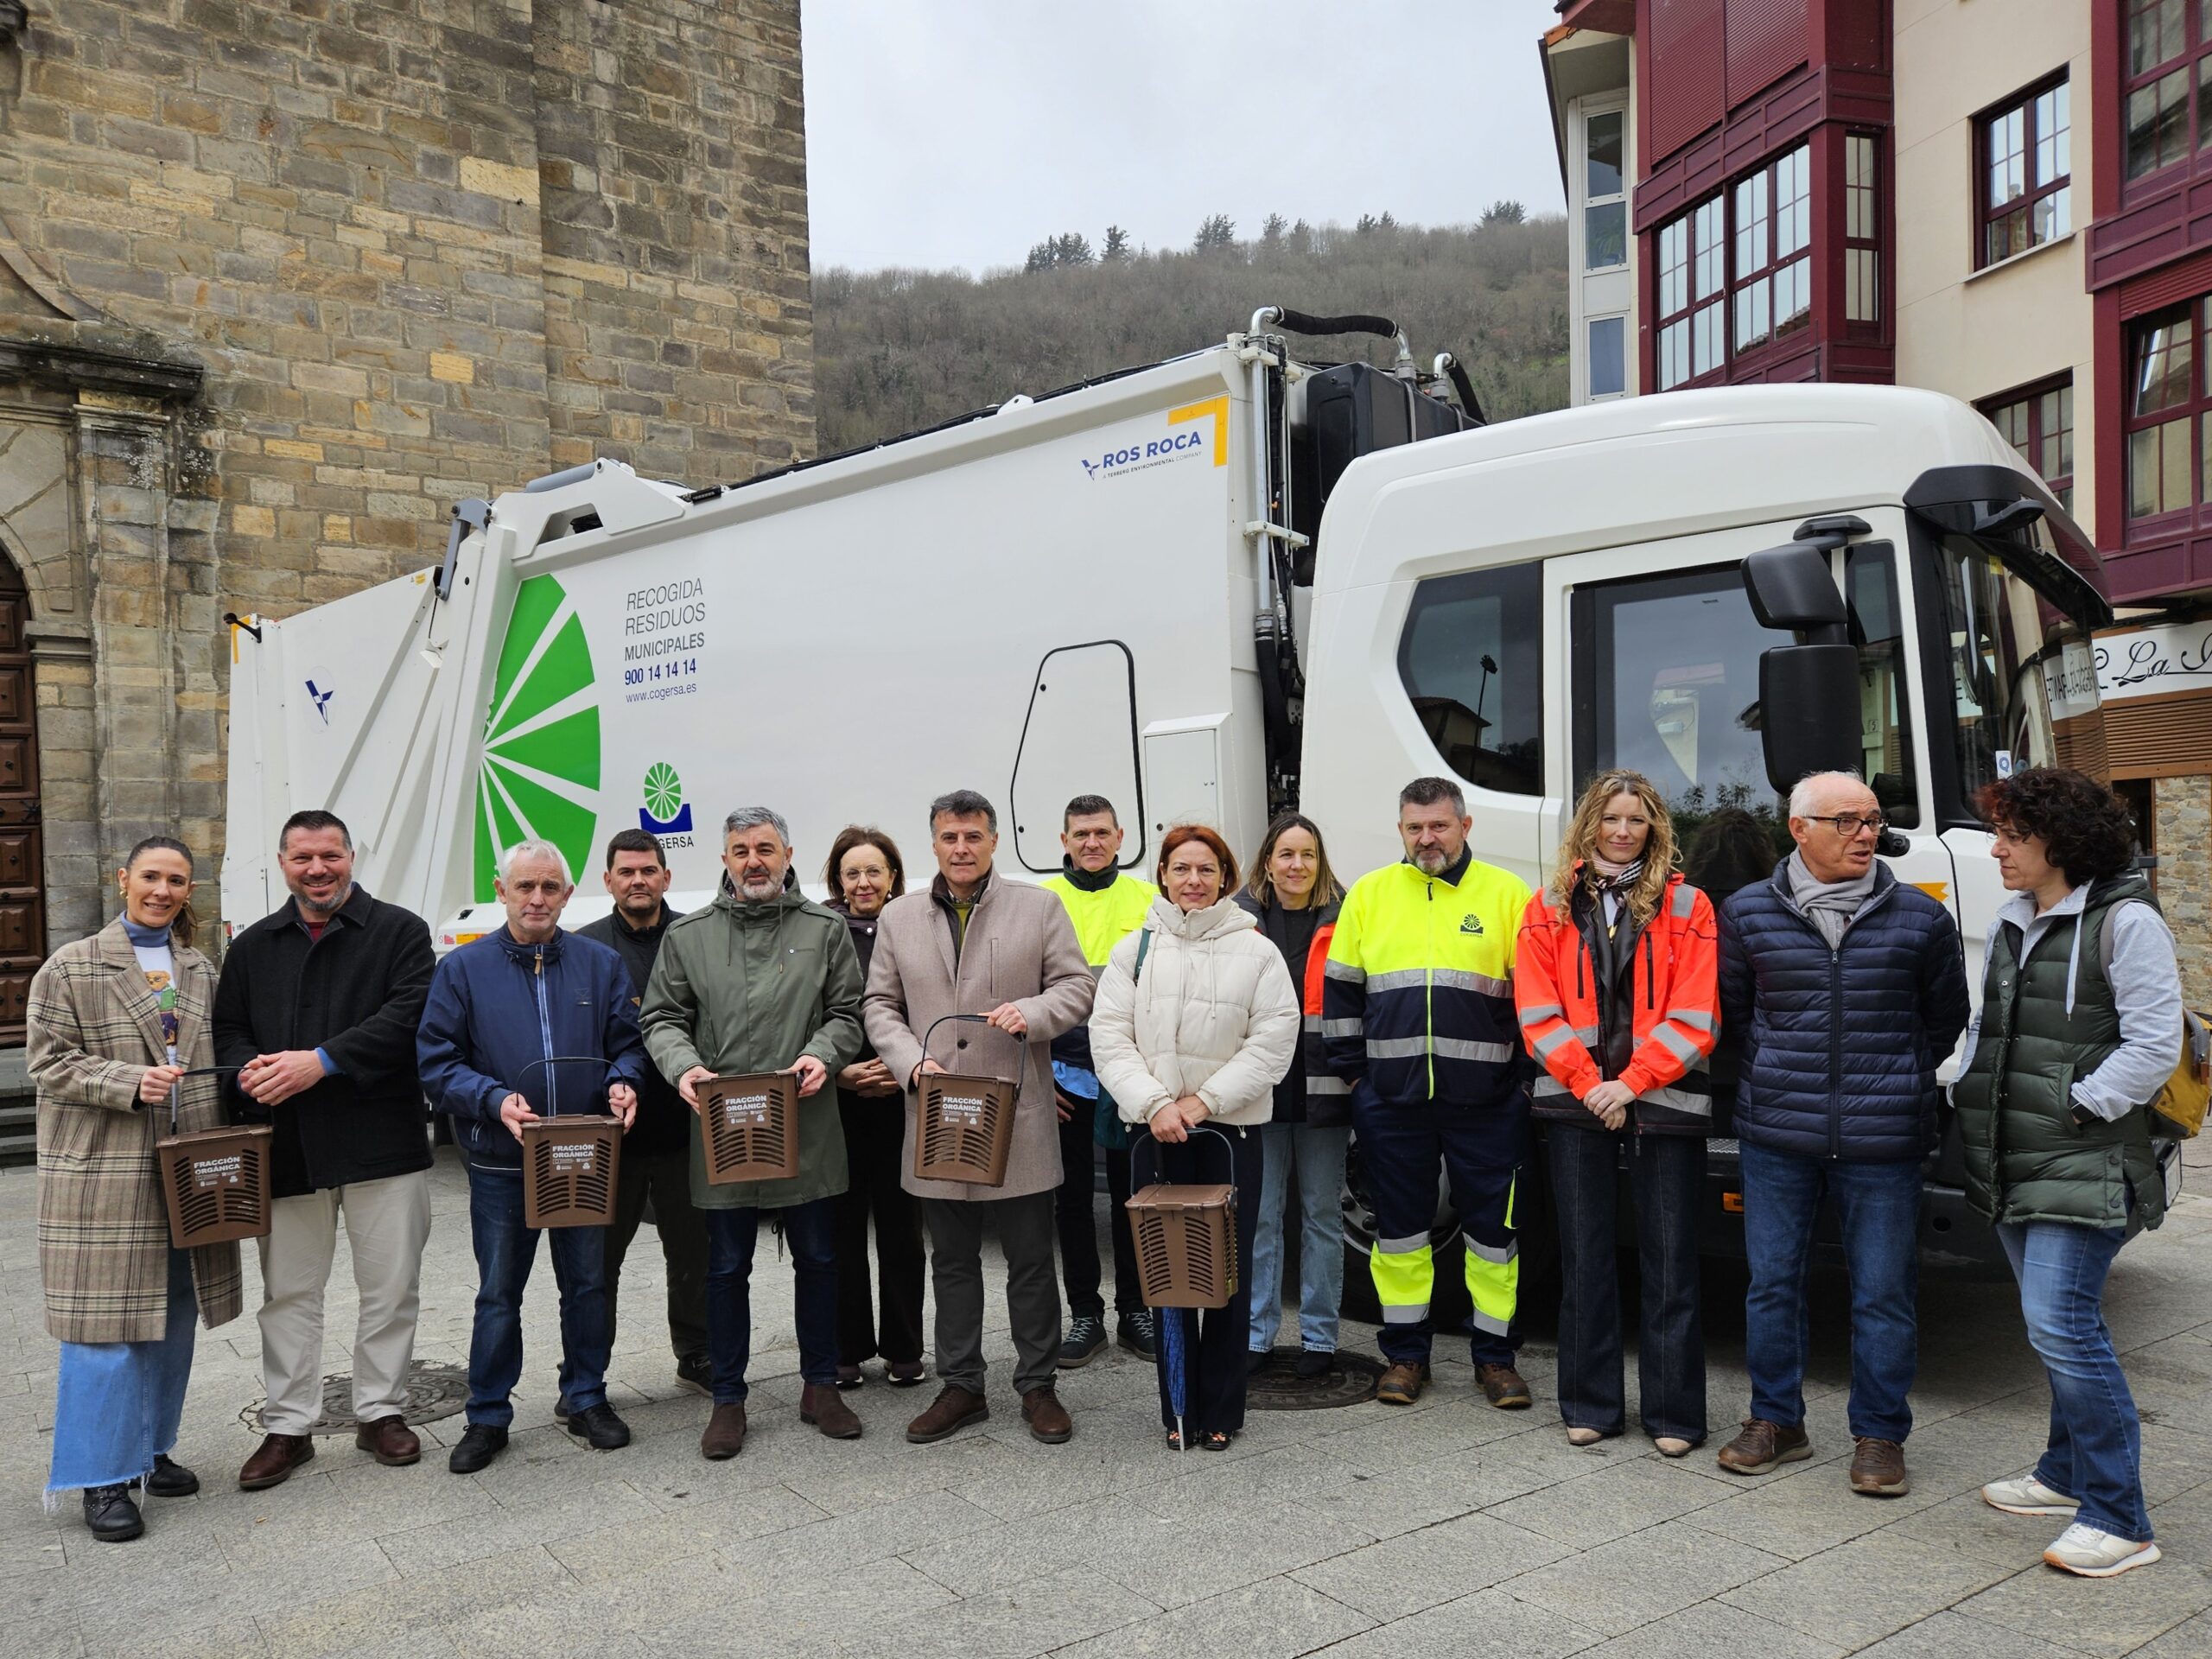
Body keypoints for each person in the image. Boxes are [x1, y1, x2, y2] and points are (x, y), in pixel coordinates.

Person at [1955, 768, 2183, 1578]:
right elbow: (1989, 1023)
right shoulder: (2019, 917)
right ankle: (2063, 1474)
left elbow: (2158, 1043)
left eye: (2013, 836)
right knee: (2052, 1321)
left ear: (2063, 840)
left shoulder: (2125, 921)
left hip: (2081, 1155)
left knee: (2063, 1325)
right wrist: (1960, 1076)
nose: (1997, 850)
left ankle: (2121, 1518)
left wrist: (2080, 1107)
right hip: (2016, 1153)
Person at [1716, 770, 1969, 1497]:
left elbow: (1943, 1019)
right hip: (1777, 1135)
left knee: (1884, 1292)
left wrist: (1888, 1081)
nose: (1868, 834)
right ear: (1800, 829)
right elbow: (1734, 1018)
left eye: (1872, 821)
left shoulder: (1920, 919)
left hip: (1882, 1139)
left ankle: (1881, 1435)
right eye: (1849, 821)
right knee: (1772, 1285)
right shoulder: (1748, 913)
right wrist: (1779, 1077)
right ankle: (1776, 1421)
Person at [213, 809, 437, 1491]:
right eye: (303, 858)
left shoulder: (401, 931)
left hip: (382, 1142)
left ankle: (380, 1412)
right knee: (289, 1293)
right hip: (288, 1147)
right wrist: (248, 1071)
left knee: (391, 1289)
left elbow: (408, 1018)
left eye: (330, 856)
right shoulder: (252, 947)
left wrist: (323, 1061)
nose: (318, 870)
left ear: (351, 856)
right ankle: (288, 1427)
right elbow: (227, 1032)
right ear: (283, 863)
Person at [863, 789, 1095, 1446]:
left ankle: (1039, 1385)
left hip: (1017, 1113)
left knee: (1028, 1260)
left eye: (972, 836)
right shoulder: (900, 917)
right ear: (932, 844)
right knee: (954, 1262)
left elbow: (1076, 987)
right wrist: (910, 1063)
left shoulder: (1039, 906)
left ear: (994, 841)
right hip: (938, 1115)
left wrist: (1036, 1013)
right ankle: (961, 1384)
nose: (960, 849)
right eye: (948, 838)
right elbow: (880, 1004)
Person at [30, 836, 244, 1542]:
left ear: (189, 890)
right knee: (106, 1329)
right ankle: (100, 1478)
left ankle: (148, 1450)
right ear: (123, 879)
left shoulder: (197, 967)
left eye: (176, 880)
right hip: (106, 1169)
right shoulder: (71, 964)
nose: (162, 889)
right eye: (150, 876)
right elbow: (48, 1061)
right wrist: (127, 1082)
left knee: (173, 1315)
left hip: (185, 1167)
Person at [640, 807, 866, 1459]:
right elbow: (661, 1018)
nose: (754, 861)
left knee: (821, 1260)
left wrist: (823, 1054)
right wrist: (685, 1070)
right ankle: (728, 1398)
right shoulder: (690, 936)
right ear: (724, 859)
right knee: (725, 1267)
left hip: (808, 1124)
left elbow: (848, 1012)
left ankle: (821, 1385)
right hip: (724, 1128)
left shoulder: (825, 930)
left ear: (789, 853)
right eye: (740, 850)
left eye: (765, 848)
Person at [417, 839, 645, 1473]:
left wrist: (626, 1081)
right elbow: (436, 1064)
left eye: (550, 887)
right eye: (526, 887)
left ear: (569, 895)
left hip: (580, 1153)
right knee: (497, 1293)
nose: (538, 898)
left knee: (588, 1284)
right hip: (500, 1161)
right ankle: (487, 1415)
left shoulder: (600, 965)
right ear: (502, 890)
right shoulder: (462, 970)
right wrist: (491, 1100)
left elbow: (630, 1046)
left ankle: (586, 1396)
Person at [1515, 772, 1719, 1455]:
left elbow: (1698, 1015)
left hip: (1662, 1097)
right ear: (1589, 826)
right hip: (1575, 1102)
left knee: (1671, 1262)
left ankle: (1674, 1416)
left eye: (1637, 819)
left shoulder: (1689, 904)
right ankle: (1591, 1404)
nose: (1623, 830)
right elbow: (1536, 1012)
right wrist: (1587, 1081)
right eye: (1611, 818)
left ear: (1655, 827)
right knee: (1586, 1259)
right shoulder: (1547, 906)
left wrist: (1628, 1083)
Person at [1323, 777, 1535, 1409]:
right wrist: (1356, 1077)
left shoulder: (1508, 894)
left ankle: (1496, 1360)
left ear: (1465, 826)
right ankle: (1406, 1356)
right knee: (1400, 1237)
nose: (1427, 838)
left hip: (1489, 1102)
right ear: (1401, 830)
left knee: (1494, 1239)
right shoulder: (1369, 894)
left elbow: (1534, 1000)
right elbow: (1341, 993)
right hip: (1391, 1102)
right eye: (1415, 827)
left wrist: (1522, 1083)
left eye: (1439, 825)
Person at [1093, 824, 1299, 1449]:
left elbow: (1273, 1039)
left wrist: (1203, 1101)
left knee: (1226, 1277)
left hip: (1230, 1132)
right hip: (1154, 1133)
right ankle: (1178, 1409)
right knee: (1169, 1277)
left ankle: (1222, 1413)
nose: (1193, 880)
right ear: (1162, 875)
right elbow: (1110, 1037)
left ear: (1226, 878)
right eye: (1181, 868)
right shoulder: (1135, 951)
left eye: (1206, 870)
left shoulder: (1257, 951)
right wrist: (1155, 1104)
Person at [575, 829, 710, 1398]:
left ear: (666, 877)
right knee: (597, 1267)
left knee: (693, 1258)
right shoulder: (583, 948)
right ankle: (586, 1376)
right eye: (626, 872)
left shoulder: (695, 939)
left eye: (648, 870)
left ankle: (698, 1356)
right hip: (613, 1139)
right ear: (608, 880)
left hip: (686, 1132)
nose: (638, 880)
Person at [1040, 794, 1158, 1366]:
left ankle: (1136, 1312)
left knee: (1134, 1197)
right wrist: (1038, 1075)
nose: (1091, 843)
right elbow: (1025, 995)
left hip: (1128, 1075)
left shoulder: (1147, 898)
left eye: (1101, 833)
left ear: (1120, 837)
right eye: (1080, 834)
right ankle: (1085, 1315)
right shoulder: (1043, 903)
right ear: (1064, 841)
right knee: (1072, 1203)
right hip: (1062, 1075)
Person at [1235, 811, 1351, 1379]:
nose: (1296, 865)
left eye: (1307, 855)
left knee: (1324, 1216)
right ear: (1267, 862)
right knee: (1260, 1216)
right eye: (1286, 854)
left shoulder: (1347, 916)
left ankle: (1320, 1339)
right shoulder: (1237, 921)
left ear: (1319, 862)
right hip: (1259, 1089)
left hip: (1325, 1088)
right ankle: (1256, 1337)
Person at [822, 825, 927, 1390]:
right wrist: (839, 1072)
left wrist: (903, 1068)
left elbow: (936, 1000)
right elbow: (803, 1013)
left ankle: (905, 1349)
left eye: (874, 871)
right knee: (841, 1232)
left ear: (892, 877)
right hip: (836, 1103)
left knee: (903, 1232)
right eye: (852, 872)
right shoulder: (817, 932)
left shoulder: (914, 927)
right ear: (838, 880)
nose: (864, 882)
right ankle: (846, 1350)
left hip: (901, 1099)